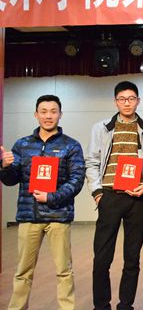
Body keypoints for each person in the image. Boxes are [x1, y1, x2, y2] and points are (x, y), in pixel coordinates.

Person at [0, 95, 85, 310]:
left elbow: (77, 180)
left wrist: (51, 197)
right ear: (36, 114)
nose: (48, 116)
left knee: (64, 271)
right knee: (22, 272)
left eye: (53, 111)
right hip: (29, 216)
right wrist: (5, 167)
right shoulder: (22, 145)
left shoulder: (71, 146)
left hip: (59, 217)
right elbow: (10, 180)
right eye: (44, 111)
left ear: (60, 114)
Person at [86, 81, 143, 310]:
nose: (127, 103)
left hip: (137, 198)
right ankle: (101, 305)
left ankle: (126, 305)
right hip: (109, 197)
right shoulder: (101, 128)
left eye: (131, 98)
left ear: (138, 101)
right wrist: (97, 192)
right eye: (122, 99)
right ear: (115, 101)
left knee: (132, 258)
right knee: (102, 258)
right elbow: (92, 161)